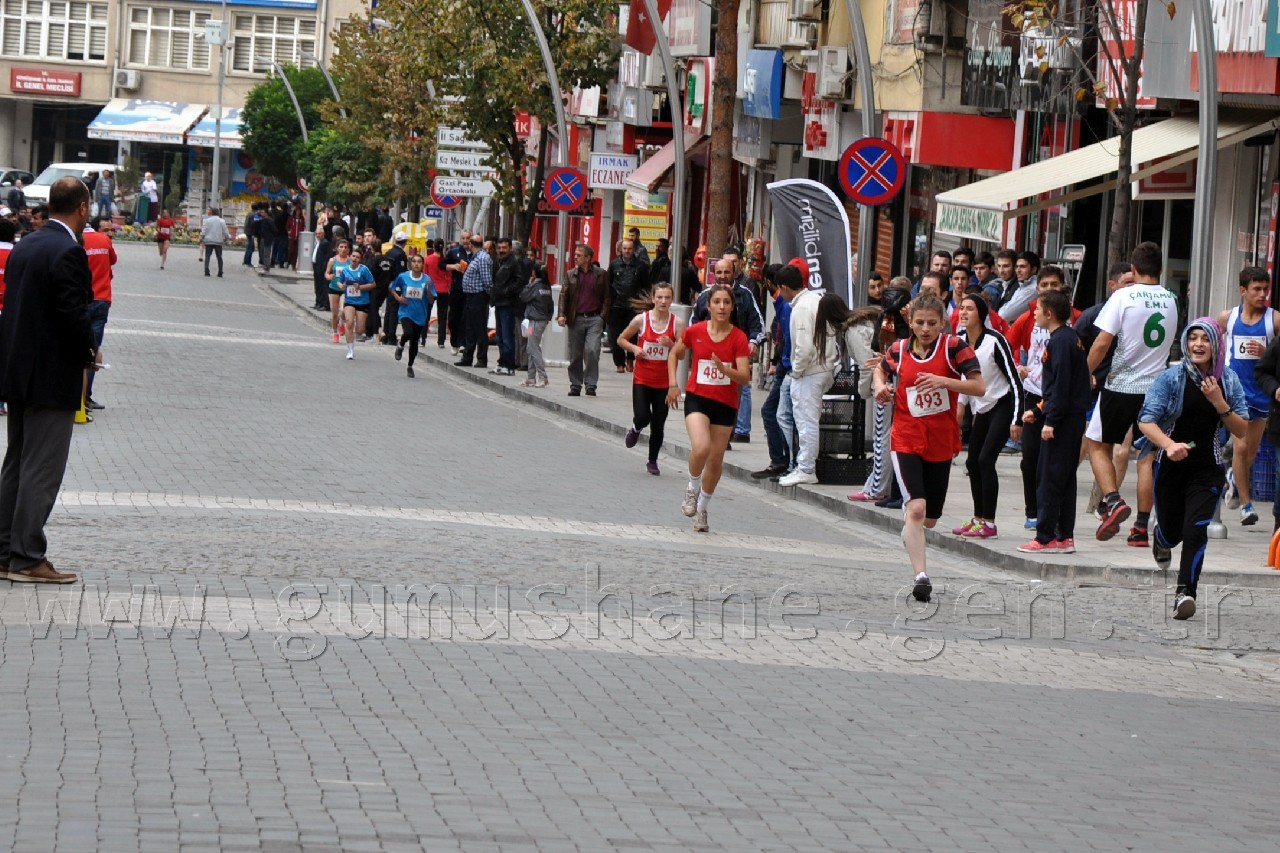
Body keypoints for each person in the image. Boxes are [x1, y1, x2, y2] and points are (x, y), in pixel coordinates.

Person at [0, 176, 97, 584]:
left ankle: (5, 552)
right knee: (42, 468)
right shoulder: (68, 251)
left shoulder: (26, 243)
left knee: (16, 464)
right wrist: (90, 351)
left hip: (17, 371)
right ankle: (27, 556)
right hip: (51, 375)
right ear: (82, 208)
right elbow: (73, 312)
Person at [873, 293, 983, 602]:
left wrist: (944, 382)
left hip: (940, 441)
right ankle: (921, 577)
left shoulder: (954, 348)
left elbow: (978, 386)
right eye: (920, 323)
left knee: (930, 518)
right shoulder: (899, 349)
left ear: (943, 323)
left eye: (932, 323)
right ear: (910, 322)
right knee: (917, 509)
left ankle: (911, 530)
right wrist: (881, 386)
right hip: (905, 437)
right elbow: (881, 369)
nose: (925, 329)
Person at [1139, 319, 1248, 620]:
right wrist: (1168, 445)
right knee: (1173, 532)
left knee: (1195, 530)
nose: (1198, 344)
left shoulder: (1228, 380)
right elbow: (1146, 421)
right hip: (1170, 467)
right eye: (1193, 338)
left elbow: (1242, 429)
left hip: (1207, 468)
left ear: (1216, 344)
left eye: (1205, 339)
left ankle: (1185, 593)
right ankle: (1162, 538)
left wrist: (1219, 402)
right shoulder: (1170, 378)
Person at [1088, 241, 1178, 545]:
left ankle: (1113, 501)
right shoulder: (1172, 299)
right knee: (1146, 458)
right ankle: (1140, 528)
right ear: (1160, 269)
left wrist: (1085, 371)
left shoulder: (1123, 296)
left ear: (1134, 269)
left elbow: (1102, 342)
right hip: (1156, 387)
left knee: (1097, 444)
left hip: (1121, 385)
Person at [667, 284, 752, 532]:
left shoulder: (739, 338)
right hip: (698, 398)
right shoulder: (695, 331)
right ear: (708, 306)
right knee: (701, 447)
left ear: (732, 307)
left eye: (726, 302)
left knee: (715, 459)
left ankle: (702, 509)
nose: (722, 307)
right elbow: (674, 354)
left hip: (725, 403)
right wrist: (673, 384)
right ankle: (692, 489)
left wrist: (725, 370)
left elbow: (745, 377)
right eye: (717, 302)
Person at [1005, 265, 1078, 531]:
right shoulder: (1028, 318)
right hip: (1034, 393)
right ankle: (1033, 511)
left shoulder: (1072, 322)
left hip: (1059, 398)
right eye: (1044, 285)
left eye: (1054, 285)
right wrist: (1018, 365)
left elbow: (1089, 348)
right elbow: (1007, 344)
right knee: (1031, 458)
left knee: (1057, 463)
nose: (1048, 289)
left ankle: (1055, 519)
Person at [1016, 290, 1090, 554]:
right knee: (1065, 477)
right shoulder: (1069, 338)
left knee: (1049, 477)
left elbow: (1061, 385)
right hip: (1070, 416)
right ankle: (1064, 536)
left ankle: (1045, 536)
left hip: (1064, 420)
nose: (1034, 313)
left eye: (1037, 309)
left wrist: (1051, 421)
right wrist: (1038, 411)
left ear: (1049, 313)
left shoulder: (1060, 342)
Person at [954, 293, 1021, 540]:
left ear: (981, 314)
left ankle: (990, 523)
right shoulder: (959, 342)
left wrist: (1017, 419)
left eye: (969, 309)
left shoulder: (995, 341)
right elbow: (962, 378)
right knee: (972, 462)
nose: (963, 313)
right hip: (980, 407)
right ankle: (978, 518)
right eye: (962, 308)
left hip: (1002, 404)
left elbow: (1014, 381)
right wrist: (961, 408)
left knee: (985, 460)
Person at [1218, 266, 1280, 526]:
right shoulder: (1228, 318)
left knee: (1250, 454)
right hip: (1237, 391)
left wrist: (1267, 352)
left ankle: (1233, 477)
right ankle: (1247, 506)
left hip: (1261, 392)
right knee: (1241, 448)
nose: (1263, 294)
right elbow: (1214, 343)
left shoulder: (1274, 319)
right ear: (1243, 290)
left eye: (1266, 289)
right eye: (1257, 289)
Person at [691, 257, 766, 444]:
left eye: (726, 272)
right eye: (719, 272)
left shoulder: (745, 295)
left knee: (736, 394)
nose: (723, 276)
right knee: (708, 394)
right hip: (708, 358)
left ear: (734, 273)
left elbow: (757, 324)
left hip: (735, 357)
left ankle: (729, 432)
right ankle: (709, 429)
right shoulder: (704, 296)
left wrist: (752, 342)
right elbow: (693, 324)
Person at [849, 285, 912, 503]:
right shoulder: (911, 322)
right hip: (904, 383)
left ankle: (877, 487)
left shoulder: (886, 321)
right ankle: (885, 486)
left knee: (882, 437)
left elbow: (878, 348)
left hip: (888, 383)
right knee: (892, 437)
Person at [620, 283, 683, 475]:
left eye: (667, 298)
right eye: (660, 297)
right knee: (643, 416)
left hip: (664, 383)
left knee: (658, 423)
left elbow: (681, 355)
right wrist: (635, 349)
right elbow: (621, 339)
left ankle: (652, 461)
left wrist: (671, 344)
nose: (663, 301)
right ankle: (636, 428)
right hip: (642, 379)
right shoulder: (641, 320)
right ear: (654, 298)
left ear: (672, 299)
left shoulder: (677, 323)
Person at [754, 264, 802, 480]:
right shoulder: (783, 303)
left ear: (769, 283)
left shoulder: (786, 304)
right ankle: (784, 460)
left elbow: (788, 338)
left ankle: (783, 460)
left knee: (775, 412)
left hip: (788, 366)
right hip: (786, 364)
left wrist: (783, 363)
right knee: (779, 413)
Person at [557, 243, 609, 397]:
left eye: (578, 255)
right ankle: (575, 384)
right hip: (576, 318)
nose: (575, 257)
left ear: (588, 258)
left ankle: (591, 384)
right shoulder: (570, 274)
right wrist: (561, 314)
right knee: (575, 354)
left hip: (595, 318)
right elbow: (563, 295)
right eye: (575, 254)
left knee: (592, 350)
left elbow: (607, 297)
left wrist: (602, 317)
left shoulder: (601, 274)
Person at [82, 216, 116, 412]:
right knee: (92, 350)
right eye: (106, 230)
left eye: (112, 230)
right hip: (101, 299)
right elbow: (113, 260)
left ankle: (80, 397)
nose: (110, 234)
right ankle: (85, 397)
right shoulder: (104, 242)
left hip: (83, 301)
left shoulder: (78, 240)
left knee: (79, 348)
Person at [607, 238, 650, 373]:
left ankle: (630, 359)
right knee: (616, 334)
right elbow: (608, 284)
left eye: (629, 249)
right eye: (624, 248)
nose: (627, 251)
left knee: (633, 333)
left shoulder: (641, 266)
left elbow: (646, 286)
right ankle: (619, 363)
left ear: (634, 250)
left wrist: (643, 302)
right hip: (617, 305)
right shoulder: (614, 264)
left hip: (634, 305)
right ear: (621, 250)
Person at [389, 252, 430, 378]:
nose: (416, 264)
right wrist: (398, 297)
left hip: (420, 313)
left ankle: (410, 366)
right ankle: (401, 344)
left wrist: (429, 290)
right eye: (414, 262)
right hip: (405, 311)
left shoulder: (427, 280)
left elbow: (431, 300)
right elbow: (391, 287)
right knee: (408, 333)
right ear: (410, 264)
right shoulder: (403, 277)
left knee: (414, 342)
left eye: (419, 262)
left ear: (422, 265)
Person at [454, 235, 492, 368]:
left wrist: (486, 296)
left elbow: (487, 281)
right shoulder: (475, 257)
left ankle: (482, 359)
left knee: (479, 328)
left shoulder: (482, 258)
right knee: (469, 328)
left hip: (478, 297)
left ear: (471, 244)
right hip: (470, 296)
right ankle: (467, 357)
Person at [490, 237, 522, 375]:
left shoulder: (514, 262)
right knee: (500, 335)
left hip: (508, 303)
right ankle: (502, 362)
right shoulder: (498, 261)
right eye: (499, 248)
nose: (501, 250)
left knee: (507, 335)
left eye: (504, 248)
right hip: (499, 302)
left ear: (510, 248)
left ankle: (508, 366)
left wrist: (507, 291)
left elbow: (520, 281)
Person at [520, 263, 554, 388]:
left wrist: (529, 284)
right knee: (531, 346)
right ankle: (531, 377)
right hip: (540, 321)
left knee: (533, 348)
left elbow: (523, 296)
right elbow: (550, 304)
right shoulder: (547, 286)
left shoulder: (535, 285)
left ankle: (542, 377)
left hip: (534, 321)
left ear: (534, 272)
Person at [338, 247, 375, 360]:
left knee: (359, 330)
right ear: (350, 257)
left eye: (358, 257)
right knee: (349, 323)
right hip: (349, 301)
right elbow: (339, 282)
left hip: (362, 302)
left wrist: (360, 287)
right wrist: (342, 286)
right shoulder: (345, 270)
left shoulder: (364, 270)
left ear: (360, 260)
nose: (355, 258)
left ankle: (352, 334)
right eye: (353, 256)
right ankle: (350, 350)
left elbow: (373, 284)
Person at [442, 232, 473, 354]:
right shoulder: (454, 252)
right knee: (454, 317)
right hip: (457, 289)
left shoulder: (475, 253)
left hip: (470, 290)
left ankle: (463, 343)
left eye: (468, 238)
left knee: (466, 317)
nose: (465, 240)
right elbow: (442, 264)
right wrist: (453, 266)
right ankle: (454, 342)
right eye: (463, 238)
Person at [324, 239, 354, 343]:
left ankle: (341, 322)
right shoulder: (332, 260)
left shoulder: (350, 261)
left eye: (345, 247)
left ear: (349, 249)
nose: (343, 249)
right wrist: (329, 276)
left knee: (343, 310)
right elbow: (326, 273)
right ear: (337, 248)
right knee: (334, 313)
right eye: (341, 247)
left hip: (345, 289)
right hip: (333, 288)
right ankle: (335, 332)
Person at [426, 239, 452, 348]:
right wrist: (449, 288)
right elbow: (449, 276)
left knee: (426, 313)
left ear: (433, 246)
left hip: (431, 289)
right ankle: (441, 341)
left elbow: (425, 276)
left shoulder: (428, 259)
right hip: (443, 289)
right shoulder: (445, 260)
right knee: (442, 316)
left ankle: (422, 338)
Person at [199, 207, 229, 277]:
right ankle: (220, 272)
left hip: (208, 241)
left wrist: (201, 238)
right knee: (219, 256)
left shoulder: (207, 221)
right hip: (218, 241)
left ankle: (206, 270)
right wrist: (226, 238)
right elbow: (225, 231)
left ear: (211, 213)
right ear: (218, 213)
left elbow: (204, 230)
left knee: (207, 256)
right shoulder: (222, 221)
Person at [311, 227, 333, 312]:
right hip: (316, 266)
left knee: (321, 286)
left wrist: (324, 267)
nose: (318, 235)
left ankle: (322, 303)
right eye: (316, 234)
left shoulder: (325, 243)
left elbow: (325, 257)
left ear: (323, 234)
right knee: (317, 286)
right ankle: (318, 302)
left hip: (321, 267)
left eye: (319, 234)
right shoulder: (317, 242)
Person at [286, 202, 305, 272]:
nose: (298, 212)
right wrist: (289, 231)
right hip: (292, 237)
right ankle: (288, 261)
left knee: (296, 252)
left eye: (299, 211)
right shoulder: (291, 218)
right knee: (290, 251)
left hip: (299, 238)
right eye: (297, 211)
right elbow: (287, 226)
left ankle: (293, 265)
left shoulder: (302, 219)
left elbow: (303, 227)